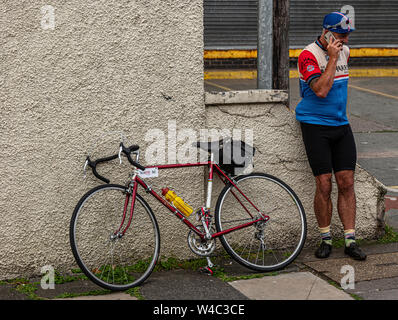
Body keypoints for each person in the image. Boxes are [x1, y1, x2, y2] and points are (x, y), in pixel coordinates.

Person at [295, 12, 366, 260]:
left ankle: (350, 240)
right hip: (315, 126)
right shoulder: (308, 56)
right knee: (324, 184)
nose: (345, 41)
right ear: (326, 32)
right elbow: (322, 90)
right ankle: (326, 239)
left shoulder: (344, 51)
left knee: (346, 182)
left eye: (347, 36)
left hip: (340, 125)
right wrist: (332, 58)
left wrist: (337, 54)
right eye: (340, 35)